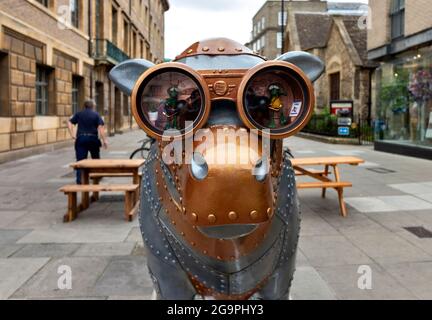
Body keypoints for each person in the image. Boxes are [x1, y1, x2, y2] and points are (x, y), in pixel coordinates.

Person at [67, 100, 108, 184]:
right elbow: (101, 128)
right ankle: (96, 176)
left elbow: (69, 122)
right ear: (92, 106)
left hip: (81, 138)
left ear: (84, 106)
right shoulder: (96, 114)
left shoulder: (79, 114)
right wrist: (104, 140)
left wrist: (72, 134)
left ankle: (80, 180)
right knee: (95, 159)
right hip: (93, 138)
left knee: (80, 160)